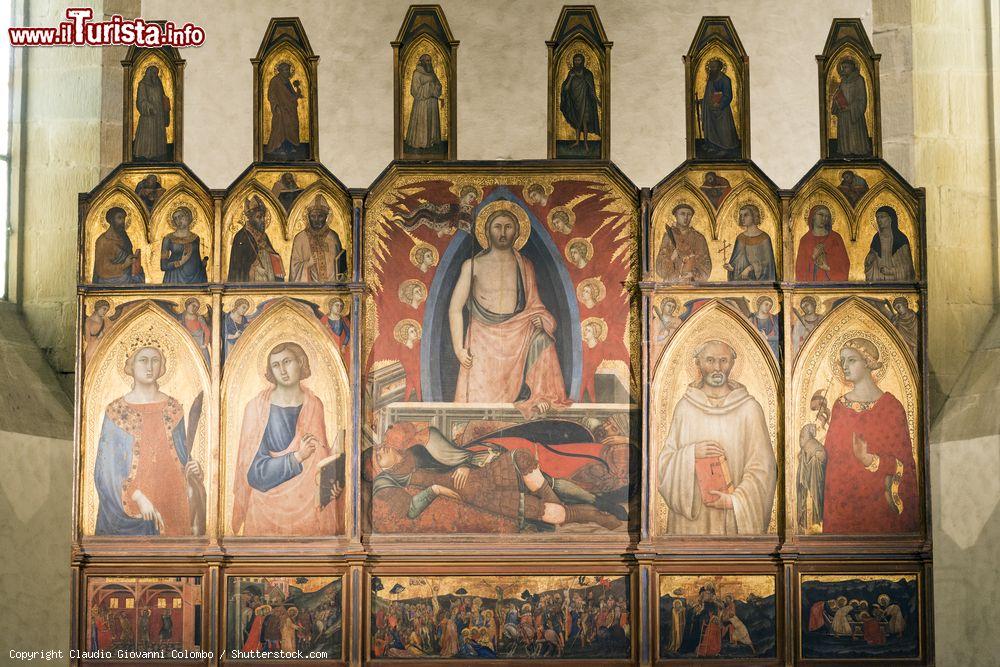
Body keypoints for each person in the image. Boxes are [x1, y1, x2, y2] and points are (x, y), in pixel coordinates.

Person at [448, 209, 570, 417]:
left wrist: (540, 319)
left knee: (543, 339)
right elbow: (455, 309)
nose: (502, 232)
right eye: (497, 226)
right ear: (487, 231)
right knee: (480, 409)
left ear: (516, 232)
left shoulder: (524, 265)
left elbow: (534, 305)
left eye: (508, 227)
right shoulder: (472, 265)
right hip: (482, 338)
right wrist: (459, 349)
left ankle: (541, 396)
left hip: (518, 332)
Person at [657, 340, 777, 535]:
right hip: (691, 525)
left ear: (732, 364)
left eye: (723, 361)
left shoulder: (749, 409)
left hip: (733, 520)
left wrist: (734, 501)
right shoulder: (685, 408)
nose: (717, 368)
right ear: (698, 364)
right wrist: (691, 453)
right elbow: (663, 464)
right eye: (710, 361)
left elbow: (764, 468)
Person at [231, 342, 343, 536]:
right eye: (276, 365)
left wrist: (333, 481)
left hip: (309, 509)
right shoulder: (256, 408)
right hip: (266, 510)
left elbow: (320, 460)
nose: (282, 370)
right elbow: (254, 475)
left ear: (300, 362)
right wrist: (297, 457)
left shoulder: (314, 405)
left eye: (287, 361)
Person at [94, 344, 202, 535]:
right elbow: (106, 471)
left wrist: (193, 470)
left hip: (173, 499)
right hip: (134, 505)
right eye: (143, 360)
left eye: (155, 360)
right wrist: (138, 497)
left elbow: (181, 455)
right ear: (131, 366)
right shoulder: (116, 411)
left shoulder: (174, 408)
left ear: (162, 367)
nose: (149, 367)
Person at [821, 336, 918, 533]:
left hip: (879, 512)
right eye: (842, 361)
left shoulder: (891, 408)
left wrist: (869, 459)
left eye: (851, 360)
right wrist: (812, 450)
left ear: (868, 363)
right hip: (842, 509)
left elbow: (905, 466)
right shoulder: (839, 407)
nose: (844, 366)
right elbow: (829, 458)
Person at [289, 194, 347, 282]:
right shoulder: (300, 238)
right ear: (308, 217)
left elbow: (340, 265)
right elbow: (294, 268)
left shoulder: (333, 237)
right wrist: (308, 264)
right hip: (309, 291)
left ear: (326, 217)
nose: (316, 220)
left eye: (320, 216)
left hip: (332, 289)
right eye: (313, 216)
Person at [228, 195, 284, 282]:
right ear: (250, 218)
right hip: (252, 283)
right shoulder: (241, 236)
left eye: (263, 217)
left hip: (268, 280)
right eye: (258, 217)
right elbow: (238, 269)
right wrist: (254, 268)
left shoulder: (264, 236)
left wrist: (275, 258)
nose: (263, 220)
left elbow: (272, 255)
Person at [655, 203, 712, 282]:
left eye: (689, 214)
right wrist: (671, 258)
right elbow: (660, 269)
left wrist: (693, 273)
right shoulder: (668, 237)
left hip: (692, 285)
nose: (686, 217)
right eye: (682, 214)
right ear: (676, 215)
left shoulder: (699, 238)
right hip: (672, 285)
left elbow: (706, 265)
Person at [795, 205, 850, 281]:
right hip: (811, 288)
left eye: (827, 216)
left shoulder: (836, 238)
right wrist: (814, 256)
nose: (824, 219)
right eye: (821, 215)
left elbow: (845, 265)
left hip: (832, 287)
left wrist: (827, 268)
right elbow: (800, 270)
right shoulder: (805, 240)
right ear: (813, 216)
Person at [699, 58, 740, 158]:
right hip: (710, 109)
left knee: (723, 130)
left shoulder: (725, 80)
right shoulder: (711, 79)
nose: (711, 69)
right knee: (711, 128)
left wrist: (720, 104)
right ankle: (713, 146)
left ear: (720, 68)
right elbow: (708, 94)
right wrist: (703, 101)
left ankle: (725, 148)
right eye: (710, 67)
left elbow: (728, 95)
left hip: (722, 111)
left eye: (714, 67)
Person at [831, 57, 872, 156]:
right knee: (845, 135)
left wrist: (850, 107)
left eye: (846, 67)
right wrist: (836, 100)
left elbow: (862, 99)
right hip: (843, 114)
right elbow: (839, 94)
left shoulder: (859, 80)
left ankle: (858, 150)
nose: (843, 70)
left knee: (855, 133)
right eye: (842, 67)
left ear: (852, 67)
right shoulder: (843, 81)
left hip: (854, 114)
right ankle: (845, 151)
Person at [560, 53, 601, 152]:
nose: (577, 62)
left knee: (584, 122)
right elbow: (565, 89)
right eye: (575, 60)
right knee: (577, 122)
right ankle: (577, 141)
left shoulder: (588, 74)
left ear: (583, 61)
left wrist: (597, 100)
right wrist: (571, 78)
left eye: (579, 60)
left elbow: (591, 89)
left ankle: (586, 143)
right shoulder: (571, 73)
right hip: (574, 102)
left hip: (585, 101)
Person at [93, 207, 144, 284]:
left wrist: (133, 261)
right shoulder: (103, 240)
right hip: (108, 278)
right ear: (111, 220)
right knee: (135, 280)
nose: (123, 221)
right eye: (119, 218)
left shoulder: (124, 236)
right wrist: (124, 265)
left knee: (139, 276)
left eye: (124, 218)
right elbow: (102, 269)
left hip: (123, 274)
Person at [264, 61, 304, 159]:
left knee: (291, 126)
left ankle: (288, 146)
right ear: (280, 71)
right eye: (286, 70)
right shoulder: (275, 80)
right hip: (281, 109)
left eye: (289, 70)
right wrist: (276, 106)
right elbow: (271, 95)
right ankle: (278, 147)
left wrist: (297, 92)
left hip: (290, 109)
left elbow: (290, 95)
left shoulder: (287, 81)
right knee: (280, 128)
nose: (288, 72)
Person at [725, 204, 776, 281]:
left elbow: (767, 263)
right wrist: (732, 268)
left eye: (746, 215)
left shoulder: (765, 238)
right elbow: (738, 261)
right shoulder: (740, 238)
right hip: (743, 283)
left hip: (760, 285)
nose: (742, 218)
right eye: (741, 215)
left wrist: (749, 268)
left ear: (754, 216)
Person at [864, 206, 915, 281]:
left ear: (890, 219)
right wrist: (870, 259)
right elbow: (872, 257)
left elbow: (907, 268)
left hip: (896, 279)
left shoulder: (901, 239)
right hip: (879, 279)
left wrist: (890, 271)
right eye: (877, 217)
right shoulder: (876, 238)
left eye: (882, 217)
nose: (879, 220)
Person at [405, 54, 443, 151]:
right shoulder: (417, 73)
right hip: (422, 103)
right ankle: (420, 142)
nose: (429, 62)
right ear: (421, 61)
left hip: (432, 102)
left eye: (430, 60)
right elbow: (415, 90)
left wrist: (435, 88)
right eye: (426, 60)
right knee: (422, 121)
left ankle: (431, 141)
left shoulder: (432, 73)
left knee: (431, 120)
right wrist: (429, 87)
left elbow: (438, 84)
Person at [160, 206, 208, 284]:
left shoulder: (195, 238)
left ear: (188, 217)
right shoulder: (168, 238)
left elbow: (196, 259)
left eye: (181, 216)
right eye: (175, 218)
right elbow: (163, 265)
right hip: (174, 277)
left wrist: (202, 266)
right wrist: (180, 262)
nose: (178, 220)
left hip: (195, 278)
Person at [133, 65, 170, 160]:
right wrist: (149, 107)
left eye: (156, 74)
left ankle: (159, 154)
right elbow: (141, 101)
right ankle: (146, 154)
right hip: (148, 117)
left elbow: (163, 97)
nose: (155, 76)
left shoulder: (158, 83)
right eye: (153, 73)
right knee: (148, 136)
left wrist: (165, 106)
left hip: (159, 116)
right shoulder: (143, 84)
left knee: (158, 137)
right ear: (149, 73)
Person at [84, 300, 110, 366]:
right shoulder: (88, 322)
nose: (105, 312)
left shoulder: (106, 321)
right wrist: (98, 338)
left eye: (107, 310)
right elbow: (87, 340)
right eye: (104, 309)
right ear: (98, 307)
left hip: (103, 348)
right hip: (92, 349)